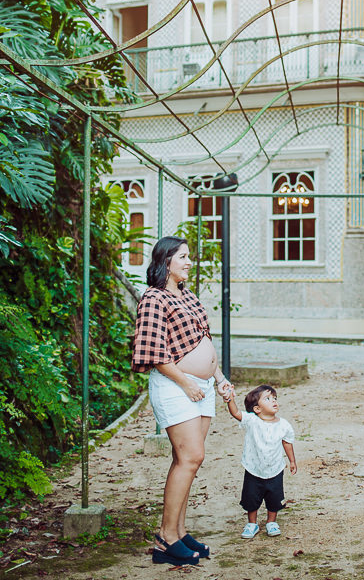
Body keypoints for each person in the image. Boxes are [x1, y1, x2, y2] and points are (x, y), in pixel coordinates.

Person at [131, 235, 234, 567]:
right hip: (177, 386)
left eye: (190, 257)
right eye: (183, 257)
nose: (189, 262)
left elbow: (203, 341)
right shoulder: (153, 298)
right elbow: (154, 353)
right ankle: (165, 539)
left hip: (201, 386)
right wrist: (187, 382)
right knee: (191, 457)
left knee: (186, 460)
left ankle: (179, 530)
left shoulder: (187, 295)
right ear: (165, 262)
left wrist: (219, 379)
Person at [222, 383, 297, 539]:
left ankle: (271, 522)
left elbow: (287, 442)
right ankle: (252, 523)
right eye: (268, 399)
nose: (274, 401)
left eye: (275, 398)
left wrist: (292, 461)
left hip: (275, 468)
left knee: (274, 497)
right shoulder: (252, 421)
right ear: (257, 409)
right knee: (251, 497)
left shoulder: (283, 425)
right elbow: (236, 413)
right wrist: (229, 399)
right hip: (253, 468)